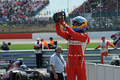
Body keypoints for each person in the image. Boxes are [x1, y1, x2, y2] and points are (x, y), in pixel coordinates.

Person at [53, 12, 89, 80]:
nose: (74, 25)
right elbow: (59, 32)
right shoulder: (70, 35)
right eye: (74, 23)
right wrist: (57, 23)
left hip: (79, 61)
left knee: (82, 78)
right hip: (70, 61)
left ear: (82, 24)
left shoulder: (85, 36)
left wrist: (64, 24)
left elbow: (75, 35)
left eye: (76, 23)